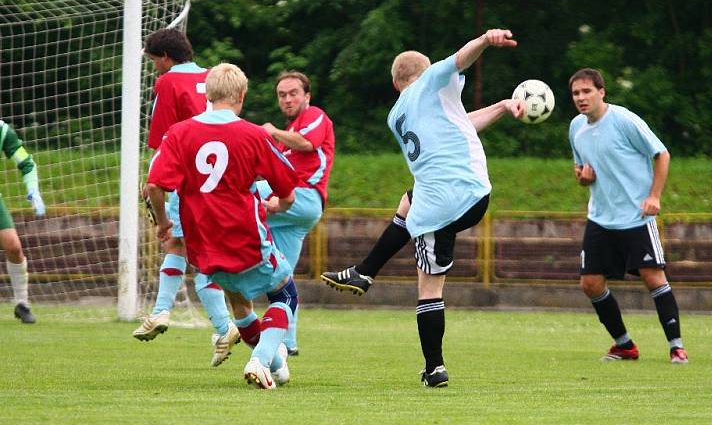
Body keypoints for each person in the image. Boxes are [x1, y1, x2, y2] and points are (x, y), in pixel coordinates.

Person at [326, 29, 525, 387]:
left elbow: (461, 114)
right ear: (428, 70)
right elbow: (461, 59)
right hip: (475, 193)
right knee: (409, 201)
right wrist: (484, 40)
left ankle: (434, 367)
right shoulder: (433, 83)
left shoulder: (397, 114)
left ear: (395, 83)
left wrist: (501, 103)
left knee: (429, 289)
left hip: (441, 206)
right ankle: (365, 271)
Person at [146, 63, 300, 389]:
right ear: (242, 96)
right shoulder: (253, 134)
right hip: (243, 233)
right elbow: (287, 188)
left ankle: (275, 364)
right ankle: (260, 360)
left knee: (239, 303)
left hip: (202, 242)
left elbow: (155, 185)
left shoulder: (179, 133)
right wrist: (279, 204)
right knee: (285, 294)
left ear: (209, 94)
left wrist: (163, 224)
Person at [132, 28, 238, 368]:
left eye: (153, 62)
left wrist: (153, 178)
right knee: (190, 249)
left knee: (182, 247)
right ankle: (197, 322)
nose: (154, 69)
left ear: (164, 57)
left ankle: (208, 323)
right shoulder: (210, 76)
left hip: (185, 173)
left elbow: (163, 137)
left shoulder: (168, 82)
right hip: (218, 176)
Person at [568, 67, 688, 364]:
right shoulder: (575, 128)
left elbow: (661, 154)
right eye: (576, 93)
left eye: (587, 91)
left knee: (652, 277)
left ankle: (676, 346)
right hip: (600, 217)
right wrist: (583, 177)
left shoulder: (624, 120)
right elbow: (580, 171)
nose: (581, 98)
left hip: (635, 216)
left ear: (601, 92)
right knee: (590, 284)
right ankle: (624, 345)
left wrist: (654, 196)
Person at [258, 71, 334, 356]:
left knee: (240, 195)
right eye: (282, 95)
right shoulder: (283, 140)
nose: (287, 99)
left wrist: (270, 131)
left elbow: (307, 143)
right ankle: (286, 342)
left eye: (293, 93)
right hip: (294, 212)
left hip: (303, 196)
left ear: (307, 96)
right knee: (281, 276)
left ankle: (183, 222)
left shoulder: (315, 115)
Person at [0, 119, 45, 323]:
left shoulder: (2, 130)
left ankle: (22, 303)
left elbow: (27, 164)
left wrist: (33, 190)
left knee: (14, 247)